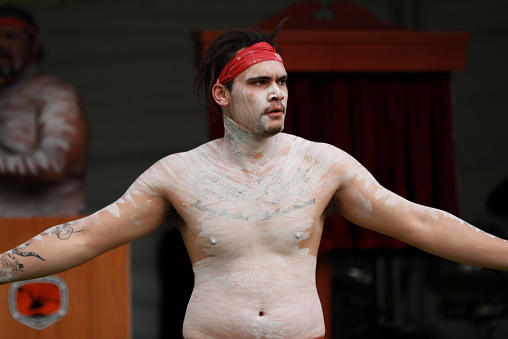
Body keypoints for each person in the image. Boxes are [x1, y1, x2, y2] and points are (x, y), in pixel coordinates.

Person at [0, 20, 507, 339]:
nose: (277, 93)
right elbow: (86, 235)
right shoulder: (179, 174)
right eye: (260, 82)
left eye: (282, 81)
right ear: (222, 95)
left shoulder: (323, 164)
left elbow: (420, 222)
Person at [0, 5, 88, 217]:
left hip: (49, 232)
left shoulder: (55, 95)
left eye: (11, 36)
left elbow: (54, 164)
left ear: (34, 45)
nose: (0, 43)